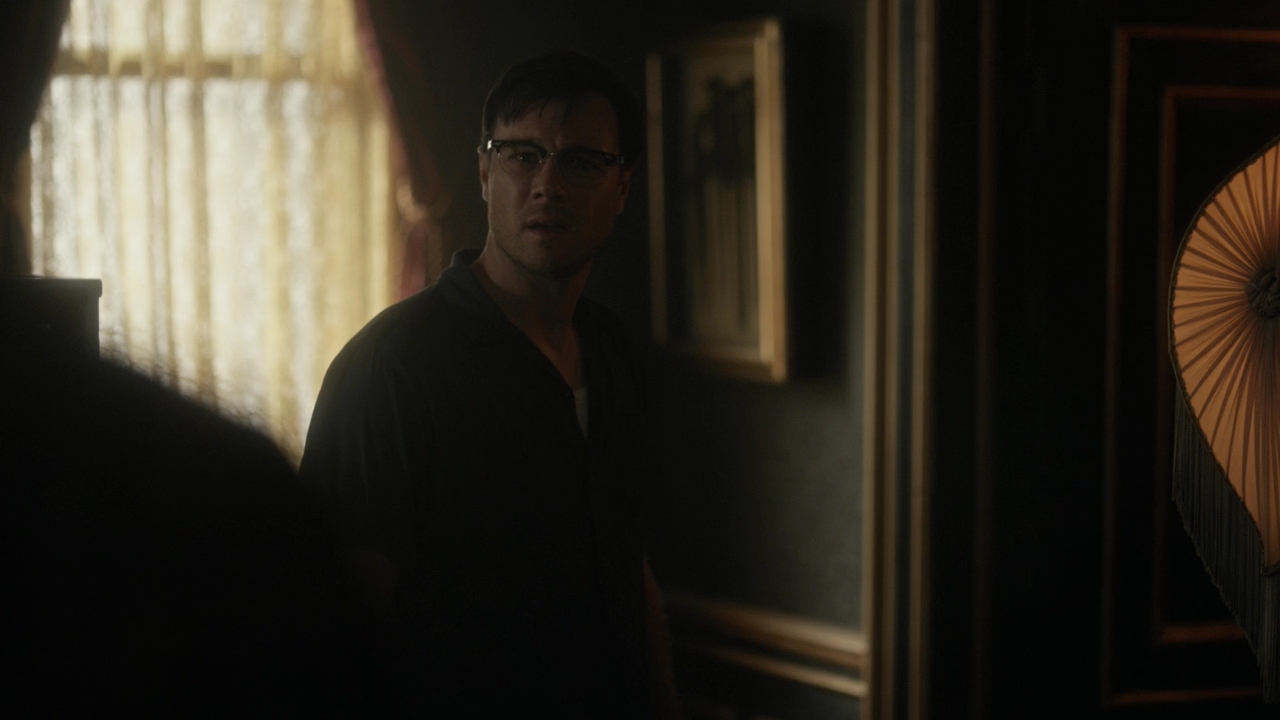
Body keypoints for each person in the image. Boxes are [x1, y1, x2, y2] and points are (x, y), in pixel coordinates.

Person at [299, 51, 678, 716]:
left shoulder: (614, 353)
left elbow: (628, 565)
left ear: (621, 187)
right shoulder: (393, 368)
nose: (547, 185)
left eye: (580, 162)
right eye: (522, 156)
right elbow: (335, 630)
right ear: (483, 171)